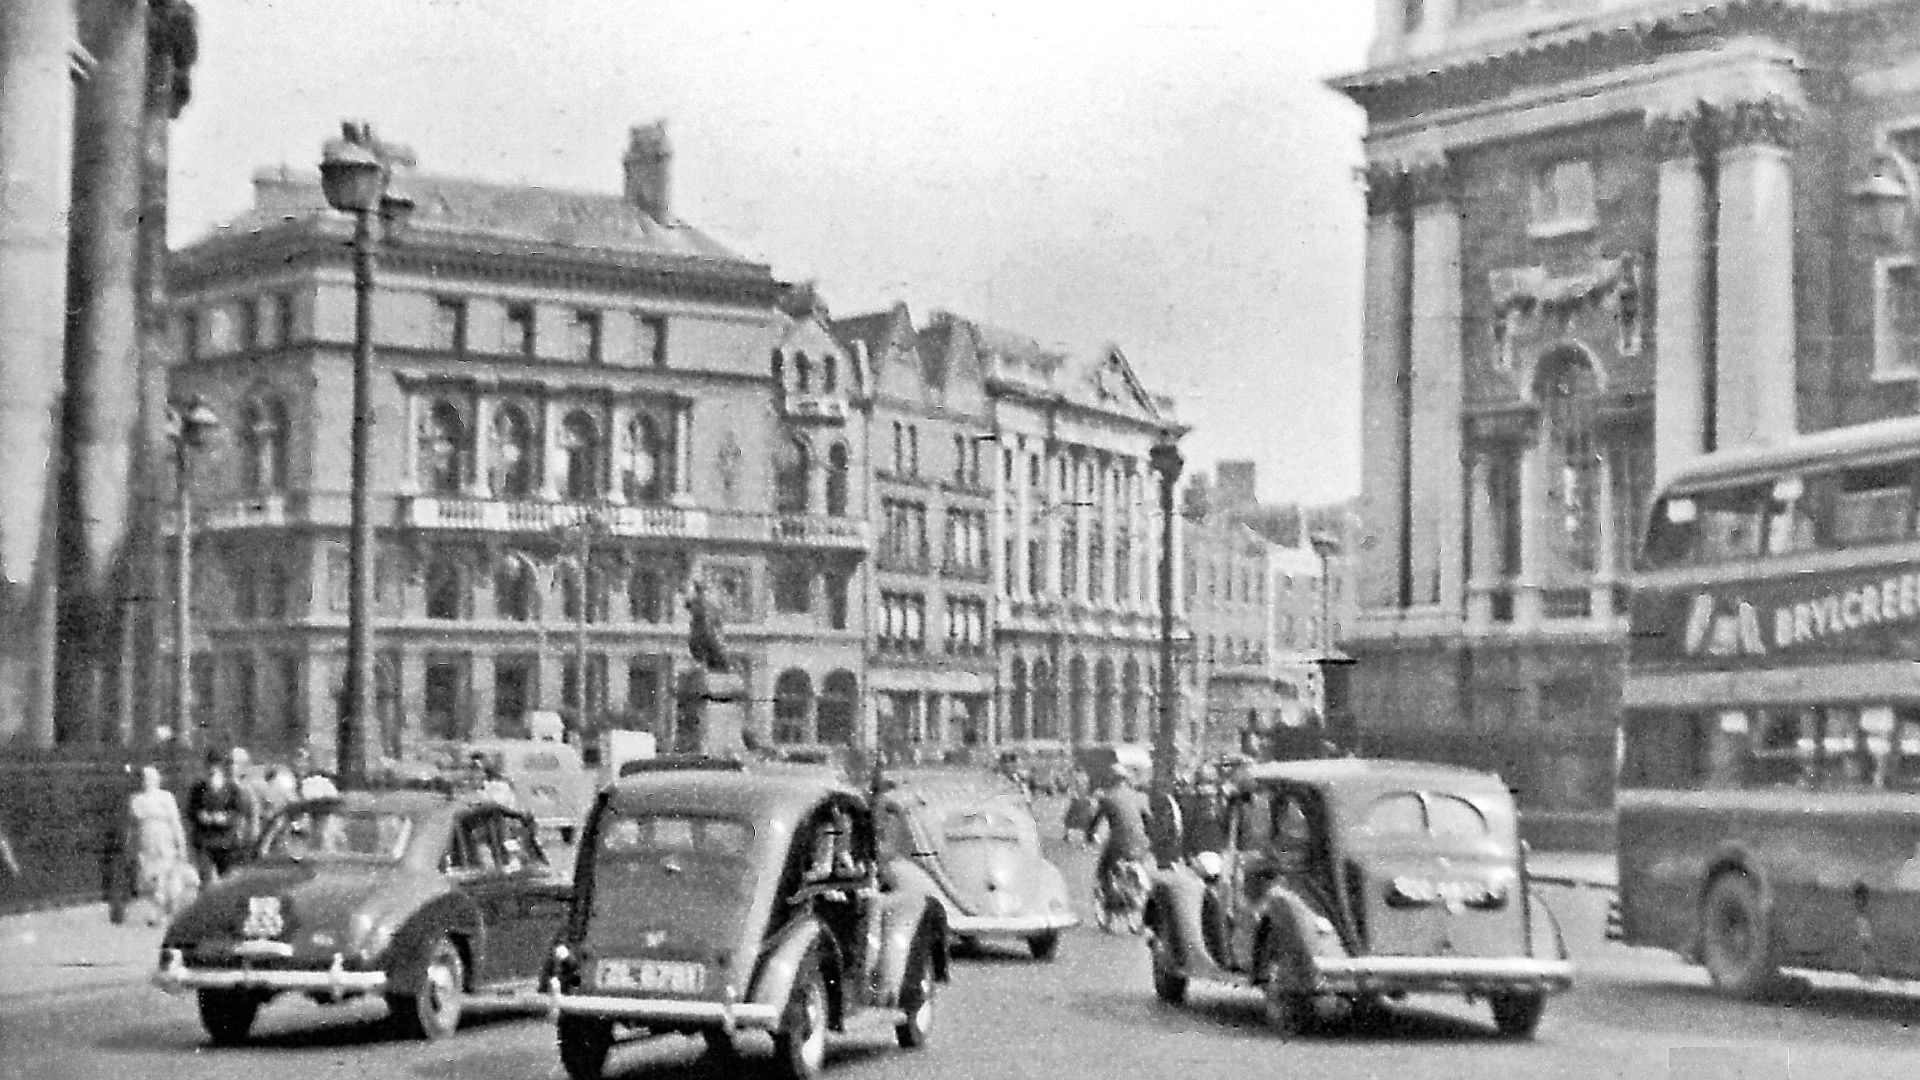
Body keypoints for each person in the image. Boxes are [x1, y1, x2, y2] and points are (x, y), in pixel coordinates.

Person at [126, 765, 193, 926]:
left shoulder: (166, 798)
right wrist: (129, 845)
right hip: (145, 842)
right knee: (148, 878)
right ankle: (157, 911)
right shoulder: (136, 799)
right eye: (145, 778)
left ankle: (164, 913)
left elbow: (175, 822)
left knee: (165, 877)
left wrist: (181, 844)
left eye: (151, 778)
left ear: (158, 780)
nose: (148, 781)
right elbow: (132, 826)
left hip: (164, 840)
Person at [186, 749, 255, 882]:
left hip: (226, 841)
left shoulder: (232, 789)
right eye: (209, 766)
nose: (212, 770)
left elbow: (238, 811)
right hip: (204, 840)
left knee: (226, 880)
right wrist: (200, 815)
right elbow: (190, 810)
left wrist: (225, 818)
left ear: (221, 768)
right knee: (207, 879)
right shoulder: (198, 788)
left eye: (216, 766)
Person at [1085, 768, 1154, 899]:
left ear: (1112, 779)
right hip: (1141, 844)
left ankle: (1106, 896)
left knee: (1103, 869)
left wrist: (1089, 834)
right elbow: (1149, 820)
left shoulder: (1108, 797)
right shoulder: (1139, 797)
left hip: (1119, 845)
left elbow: (1097, 820)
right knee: (1145, 867)